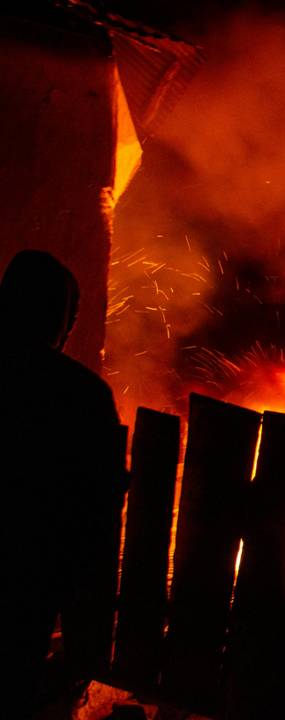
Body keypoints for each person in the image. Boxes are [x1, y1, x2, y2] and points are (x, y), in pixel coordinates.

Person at [0, 250, 125, 717]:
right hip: (27, 583)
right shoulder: (81, 395)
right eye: (68, 314)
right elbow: (99, 508)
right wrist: (87, 625)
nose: (70, 327)